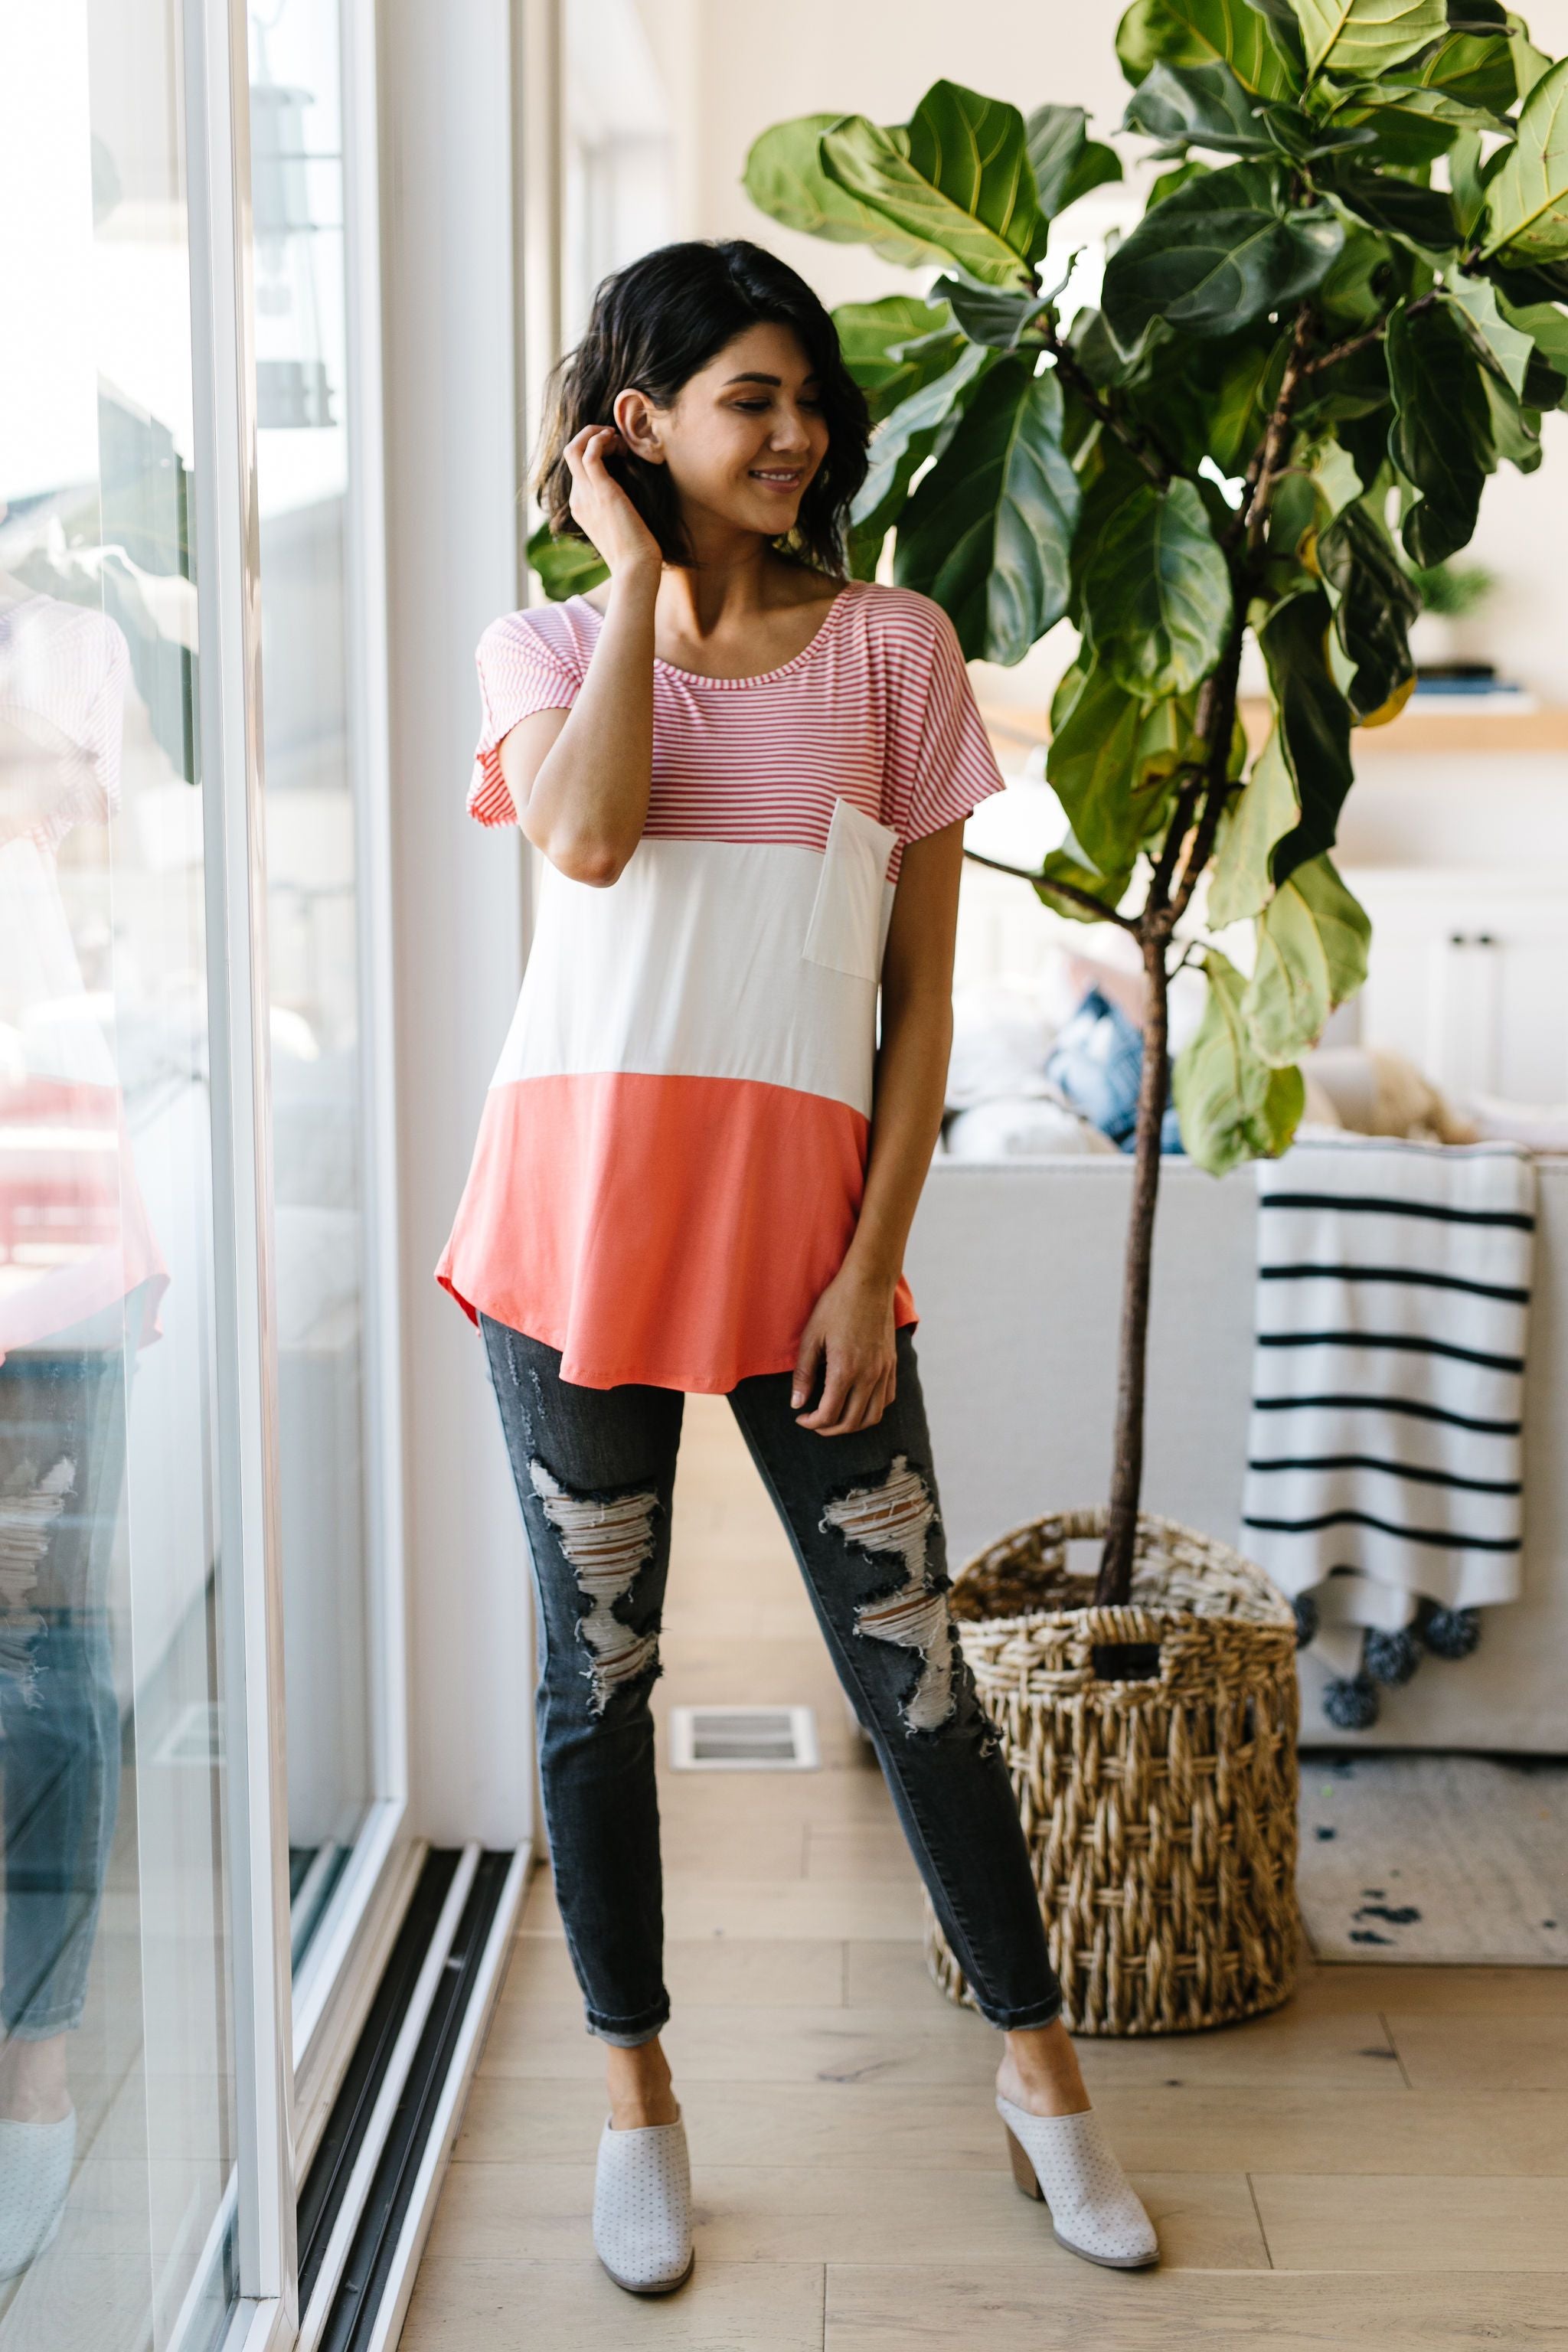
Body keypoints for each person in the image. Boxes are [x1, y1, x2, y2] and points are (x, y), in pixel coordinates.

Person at [436, 238, 1158, 2294]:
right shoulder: (547, 646)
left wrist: (873, 1264)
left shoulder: (894, 650)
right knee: (600, 1685)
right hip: (565, 1235)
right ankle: (638, 2100)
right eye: (747, 398)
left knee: (913, 1674)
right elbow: (588, 845)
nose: (798, 434)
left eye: (807, 400)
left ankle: (1042, 2085)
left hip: (804, 1252)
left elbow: (924, 1005)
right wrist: (624, 562)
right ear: (638, 421)